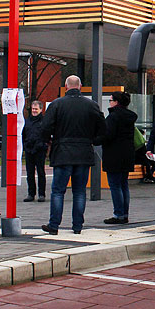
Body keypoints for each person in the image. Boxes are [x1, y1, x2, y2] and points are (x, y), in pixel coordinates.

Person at [40, 76, 106, 235]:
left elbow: (45, 128)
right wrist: (92, 140)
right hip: (84, 152)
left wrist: (49, 141)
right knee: (80, 191)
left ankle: (54, 225)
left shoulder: (57, 104)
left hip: (62, 152)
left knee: (58, 191)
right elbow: (103, 130)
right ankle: (77, 226)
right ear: (80, 86)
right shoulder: (92, 105)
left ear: (66, 86)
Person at [97, 90, 138, 224]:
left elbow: (107, 135)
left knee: (115, 185)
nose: (109, 103)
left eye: (110, 100)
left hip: (114, 155)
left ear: (116, 102)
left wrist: (95, 140)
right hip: (127, 155)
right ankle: (124, 213)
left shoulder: (113, 117)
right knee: (123, 184)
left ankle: (118, 214)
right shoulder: (130, 117)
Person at [22, 100, 47, 202]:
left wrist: (42, 145)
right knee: (30, 172)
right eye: (33, 109)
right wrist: (25, 145)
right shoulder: (27, 121)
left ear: (41, 110)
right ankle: (31, 194)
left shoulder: (44, 121)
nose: (34, 111)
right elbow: (24, 134)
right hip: (29, 150)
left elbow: (46, 135)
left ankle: (42, 194)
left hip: (40, 150)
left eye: (36, 109)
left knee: (41, 172)